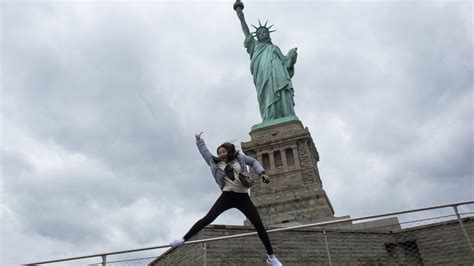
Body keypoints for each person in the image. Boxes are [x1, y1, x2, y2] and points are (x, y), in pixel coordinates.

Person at [170, 132, 283, 266]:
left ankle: (271, 257)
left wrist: (262, 173)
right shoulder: (215, 162)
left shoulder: (239, 158)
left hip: (243, 197)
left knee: (258, 224)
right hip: (227, 195)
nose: (221, 155)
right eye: (219, 153)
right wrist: (199, 140)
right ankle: (183, 239)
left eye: (223, 152)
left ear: (229, 151)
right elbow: (205, 153)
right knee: (208, 218)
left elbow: (253, 161)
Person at [235, 5, 298, 122]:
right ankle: (269, 117)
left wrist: (292, 58)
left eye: (265, 32)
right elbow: (246, 32)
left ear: (269, 35)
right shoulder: (255, 46)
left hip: (279, 75)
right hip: (263, 75)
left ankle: (285, 114)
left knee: (282, 92)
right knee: (267, 95)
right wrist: (241, 16)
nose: (263, 33)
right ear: (257, 36)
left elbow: (286, 65)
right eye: (260, 33)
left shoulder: (275, 48)